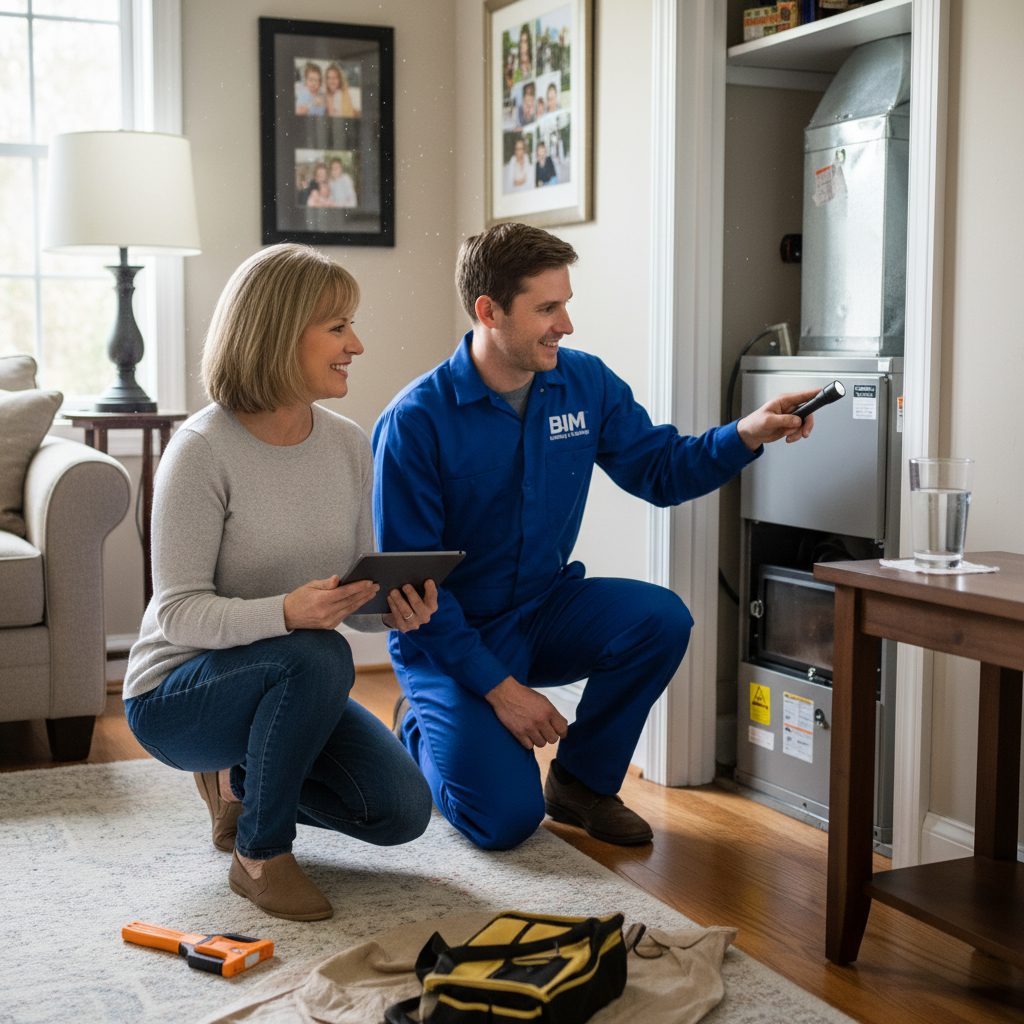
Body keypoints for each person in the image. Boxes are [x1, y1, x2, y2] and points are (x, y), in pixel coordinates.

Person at [372, 223, 819, 853]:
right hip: (450, 634)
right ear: (489, 311)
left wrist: (746, 433)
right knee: (503, 821)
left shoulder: (586, 383)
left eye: (566, 304)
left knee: (659, 619)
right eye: (547, 309)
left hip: (544, 608)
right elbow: (414, 590)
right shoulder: (416, 421)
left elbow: (661, 470)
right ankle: (419, 729)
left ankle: (582, 783)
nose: (566, 325)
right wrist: (502, 691)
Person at [123, 244, 436, 921]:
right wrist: (288, 612)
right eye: (338, 327)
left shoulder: (348, 443)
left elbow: (351, 596)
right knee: (319, 653)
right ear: (278, 333)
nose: (356, 344)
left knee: (400, 810)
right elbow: (177, 612)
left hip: (290, 676)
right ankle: (260, 855)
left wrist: (393, 609)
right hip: (177, 695)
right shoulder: (201, 450)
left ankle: (240, 784)